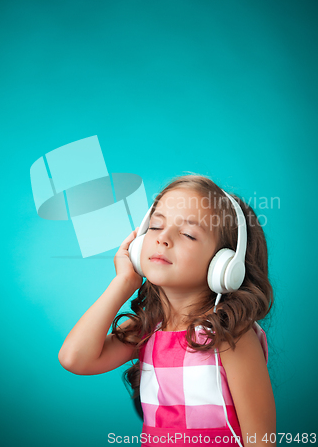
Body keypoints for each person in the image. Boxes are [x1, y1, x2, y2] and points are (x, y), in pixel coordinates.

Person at [58, 174, 276, 447]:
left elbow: (262, 440)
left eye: (188, 234)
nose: (163, 239)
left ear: (225, 264)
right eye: (156, 226)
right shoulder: (146, 329)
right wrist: (123, 282)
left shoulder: (230, 336)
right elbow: (74, 358)